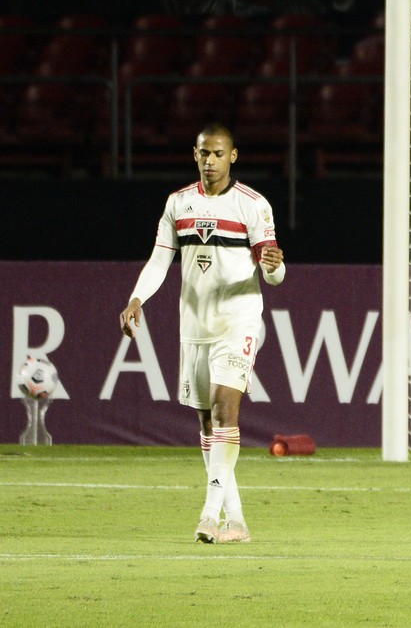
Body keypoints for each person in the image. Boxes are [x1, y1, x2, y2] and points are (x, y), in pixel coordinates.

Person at [119, 123, 286, 543]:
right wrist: (137, 298)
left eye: (217, 154)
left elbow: (275, 274)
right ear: (194, 156)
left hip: (239, 320)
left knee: (225, 413)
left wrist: (273, 265)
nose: (209, 161)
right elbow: (160, 260)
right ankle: (238, 522)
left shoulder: (254, 205)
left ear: (233, 156)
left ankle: (209, 516)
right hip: (194, 327)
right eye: (202, 154)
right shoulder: (178, 203)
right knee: (208, 425)